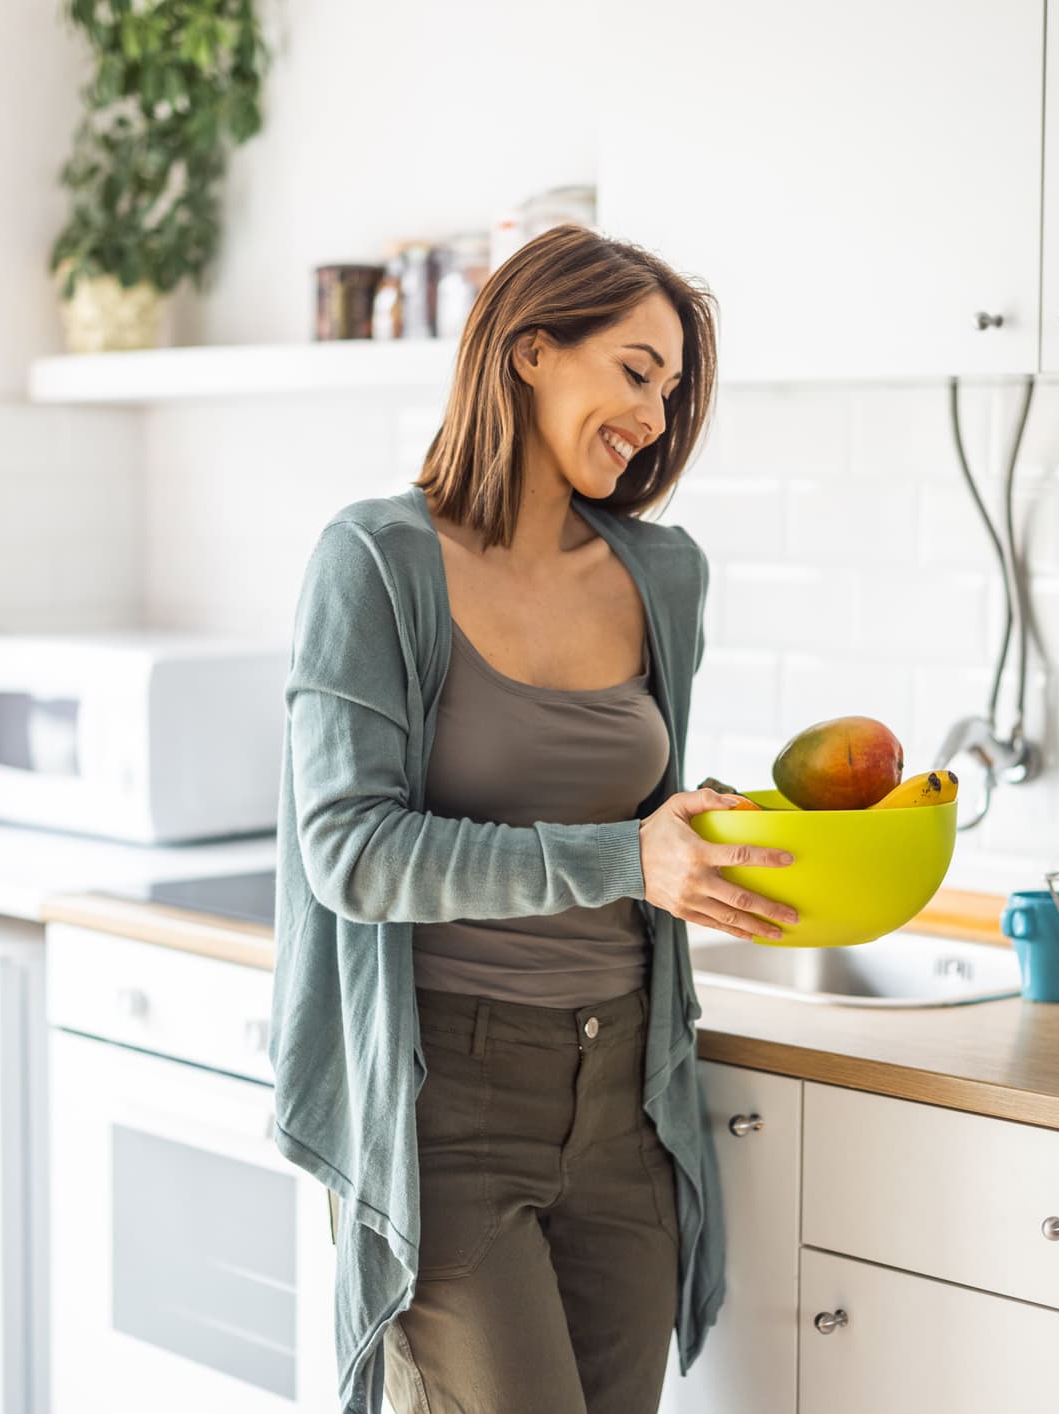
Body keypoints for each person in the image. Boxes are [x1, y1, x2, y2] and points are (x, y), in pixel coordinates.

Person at [269, 223, 799, 1414]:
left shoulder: (661, 575)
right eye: (635, 371)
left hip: (630, 1098)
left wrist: (694, 830)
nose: (657, 418)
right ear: (527, 351)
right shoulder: (375, 559)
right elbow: (349, 852)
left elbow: (623, 802)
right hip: (447, 1100)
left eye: (670, 390)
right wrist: (627, 854)